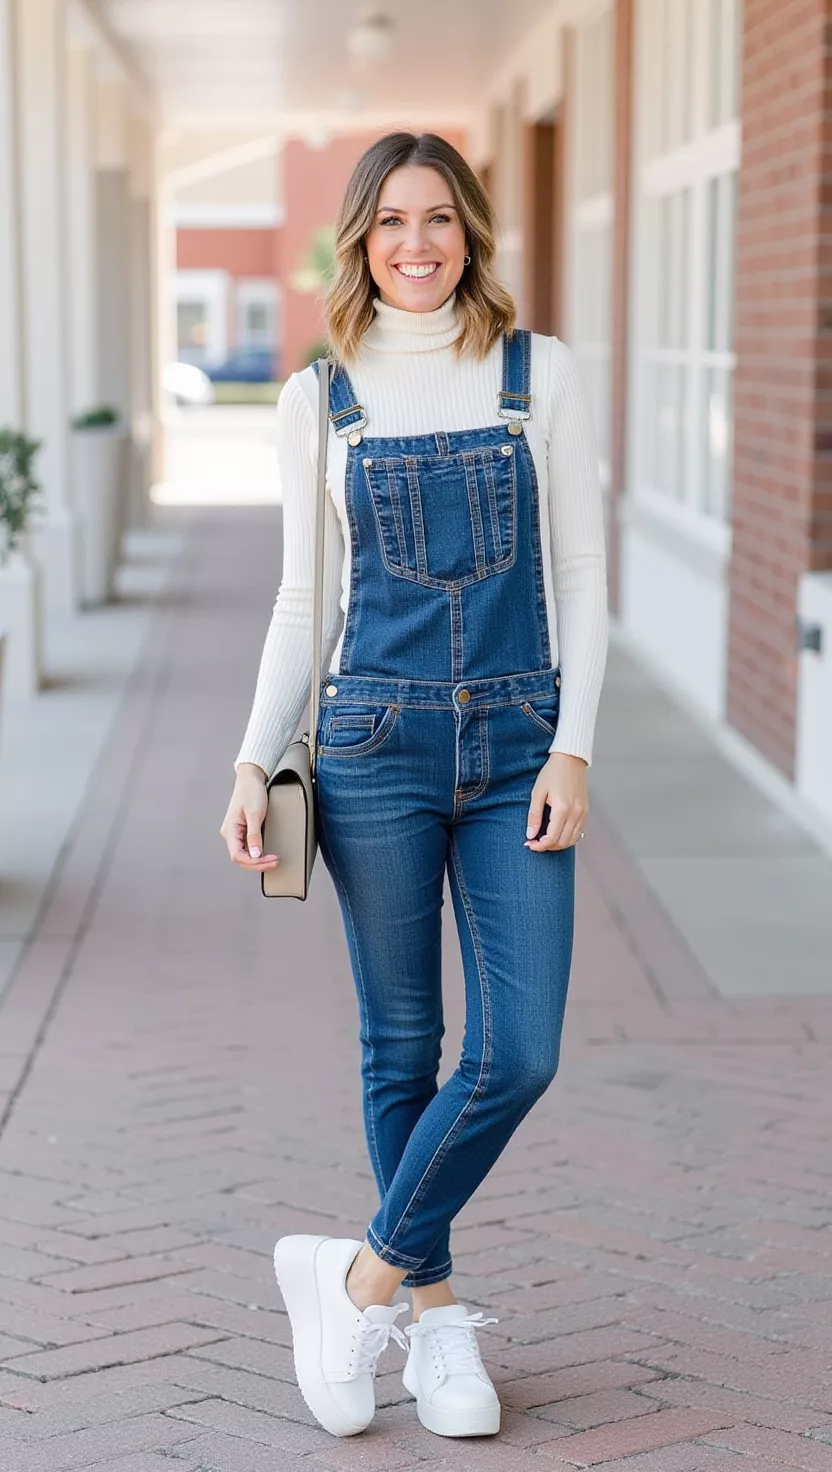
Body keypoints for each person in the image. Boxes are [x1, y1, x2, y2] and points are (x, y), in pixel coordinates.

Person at [221, 131, 608, 1442]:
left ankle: (354, 1282)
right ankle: (435, 1323)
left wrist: (575, 747)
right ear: (360, 241)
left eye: (438, 218)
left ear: (471, 231)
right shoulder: (318, 397)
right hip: (371, 749)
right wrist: (252, 757)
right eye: (391, 221)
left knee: (519, 1049)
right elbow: (303, 601)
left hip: (518, 750)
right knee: (401, 1047)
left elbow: (584, 578)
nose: (417, 243)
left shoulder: (537, 374)